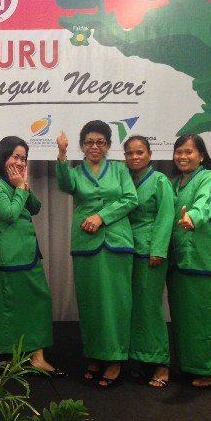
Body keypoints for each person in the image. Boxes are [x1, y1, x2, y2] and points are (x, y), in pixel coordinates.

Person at [56, 121, 138, 387]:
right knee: (90, 302)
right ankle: (94, 354)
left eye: (100, 142)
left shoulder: (120, 170)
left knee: (117, 302)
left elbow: (130, 199)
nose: (95, 146)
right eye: (89, 142)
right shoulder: (74, 172)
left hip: (117, 241)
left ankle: (114, 358)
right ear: (82, 145)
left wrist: (102, 216)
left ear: (108, 146)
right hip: (86, 243)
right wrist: (62, 155)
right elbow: (64, 185)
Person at [0, 136, 64, 376]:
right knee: (10, 307)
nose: (19, 162)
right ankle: (12, 357)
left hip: (29, 253)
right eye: (15, 157)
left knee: (38, 303)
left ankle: (38, 356)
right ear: (3, 156)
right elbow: (9, 214)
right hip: (9, 256)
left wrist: (24, 185)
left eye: (23, 158)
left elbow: (35, 207)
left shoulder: (16, 182)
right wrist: (19, 188)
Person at [167, 133, 211, 388]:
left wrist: (192, 216)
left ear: (201, 156)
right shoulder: (173, 184)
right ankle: (188, 365)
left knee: (205, 317)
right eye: (179, 151)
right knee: (183, 319)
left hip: (203, 260)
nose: (183, 156)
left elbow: (204, 203)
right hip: (179, 260)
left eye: (189, 151)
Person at [123, 136, 174, 388]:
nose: (135, 157)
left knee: (150, 308)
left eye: (140, 152)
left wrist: (159, 249)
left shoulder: (160, 180)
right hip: (127, 250)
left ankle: (161, 363)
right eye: (130, 153)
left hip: (150, 252)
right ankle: (141, 360)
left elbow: (167, 215)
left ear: (150, 155)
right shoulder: (125, 179)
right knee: (134, 308)